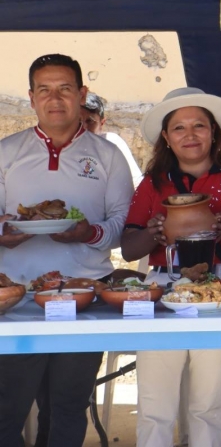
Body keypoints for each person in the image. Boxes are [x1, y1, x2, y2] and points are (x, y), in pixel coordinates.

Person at [120, 87, 221, 447]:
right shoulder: (153, 183)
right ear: (166, 137)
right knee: (155, 403)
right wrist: (155, 233)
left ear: (214, 132)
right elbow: (129, 248)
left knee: (210, 402)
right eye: (179, 128)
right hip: (164, 290)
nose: (190, 135)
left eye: (199, 126)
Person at [0, 54, 133, 447]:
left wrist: (86, 233)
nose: (54, 98)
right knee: (8, 408)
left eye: (64, 89)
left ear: (81, 94)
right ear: (31, 97)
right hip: (17, 298)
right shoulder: (7, 152)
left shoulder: (108, 156)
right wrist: (4, 232)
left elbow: (122, 226)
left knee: (67, 407)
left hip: (83, 297)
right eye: (44, 89)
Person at [82, 91, 143, 187]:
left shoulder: (112, 144)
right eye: (78, 121)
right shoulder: (65, 147)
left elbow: (136, 183)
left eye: (90, 121)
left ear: (102, 123)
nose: (84, 127)